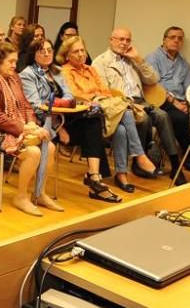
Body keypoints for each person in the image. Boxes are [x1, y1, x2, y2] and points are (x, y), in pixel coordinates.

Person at [0, 42, 63, 216]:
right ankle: (21, 196)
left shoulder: (14, 77)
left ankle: (39, 193)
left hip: (14, 126)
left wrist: (32, 124)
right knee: (33, 153)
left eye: (15, 61)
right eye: (10, 61)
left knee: (50, 147)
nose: (14, 65)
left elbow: (25, 106)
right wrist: (25, 129)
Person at [20, 39, 119, 202]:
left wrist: (61, 106)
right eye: (41, 51)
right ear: (33, 54)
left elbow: (68, 96)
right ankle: (94, 180)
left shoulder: (57, 71)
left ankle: (94, 177)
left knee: (93, 119)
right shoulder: (27, 75)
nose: (46, 54)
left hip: (63, 118)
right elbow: (37, 107)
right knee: (92, 130)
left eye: (49, 50)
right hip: (44, 125)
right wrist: (59, 127)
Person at [59, 36, 157, 193]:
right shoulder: (65, 71)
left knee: (122, 129)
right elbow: (75, 94)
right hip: (83, 115)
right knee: (125, 112)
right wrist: (96, 96)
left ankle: (122, 174)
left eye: (82, 50)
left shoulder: (90, 69)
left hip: (103, 109)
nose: (80, 54)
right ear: (67, 55)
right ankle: (138, 156)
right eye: (75, 51)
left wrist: (99, 96)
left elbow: (105, 90)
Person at [93, 27, 181, 182]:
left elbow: (153, 80)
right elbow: (104, 92)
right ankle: (139, 161)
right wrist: (129, 104)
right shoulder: (101, 62)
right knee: (144, 118)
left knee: (163, 116)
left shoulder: (132, 59)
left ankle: (176, 165)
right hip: (121, 104)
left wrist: (138, 59)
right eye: (121, 39)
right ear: (111, 40)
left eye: (128, 40)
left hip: (140, 100)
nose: (124, 43)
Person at [145, 26, 190, 153]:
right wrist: (174, 102)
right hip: (160, 100)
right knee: (181, 118)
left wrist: (188, 104)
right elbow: (153, 85)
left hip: (180, 102)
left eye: (180, 38)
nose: (176, 40)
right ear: (164, 40)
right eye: (172, 37)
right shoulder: (153, 58)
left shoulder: (184, 63)